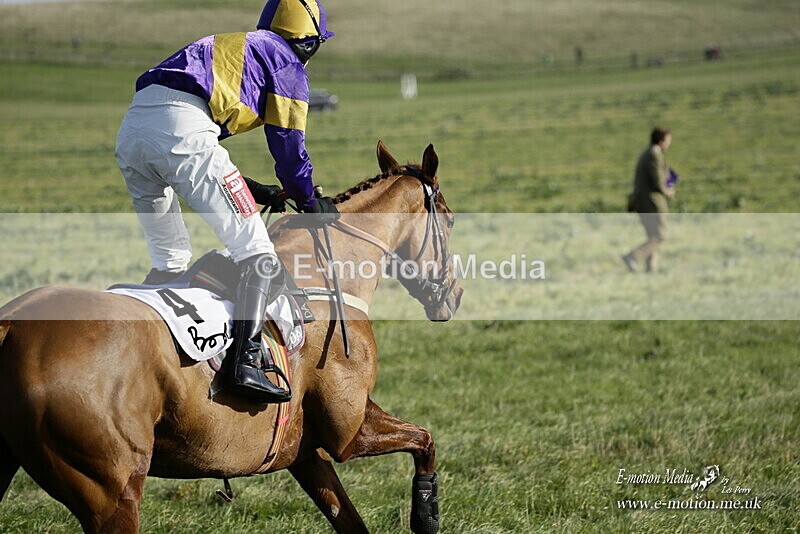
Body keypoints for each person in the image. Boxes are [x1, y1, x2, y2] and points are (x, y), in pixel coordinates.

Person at [115, 0, 339, 404]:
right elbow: (289, 150)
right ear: (309, 42)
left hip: (134, 129)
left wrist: (255, 189)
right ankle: (244, 362)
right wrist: (309, 202)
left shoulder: (239, 44)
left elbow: (181, 139)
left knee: (170, 262)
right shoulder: (286, 61)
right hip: (184, 131)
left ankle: (147, 354)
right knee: (260, 256)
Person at [623, 127, 675, 274]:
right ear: (661, 140)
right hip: (651, 203)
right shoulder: (654, 155)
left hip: (643, 202)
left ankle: (651, 270)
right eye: (668, 140)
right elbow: (657, 181)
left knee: (653, 237)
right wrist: (668, 191)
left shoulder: (647, 154)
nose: (669, 143)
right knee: (660, 235)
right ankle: (633, 257)